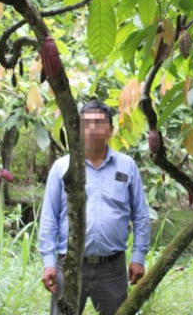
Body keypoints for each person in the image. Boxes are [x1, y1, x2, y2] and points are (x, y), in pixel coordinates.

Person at [38, 100, 151, 315]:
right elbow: (49, 217)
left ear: (110, 129)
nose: (92, 129)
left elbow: (140, 215)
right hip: (69, 265)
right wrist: (49, 262)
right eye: (86, 123)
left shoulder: (127, 166)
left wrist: (138, 257)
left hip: (112, 268)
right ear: (78, 129)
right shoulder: (62, 168)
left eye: (99, 123)